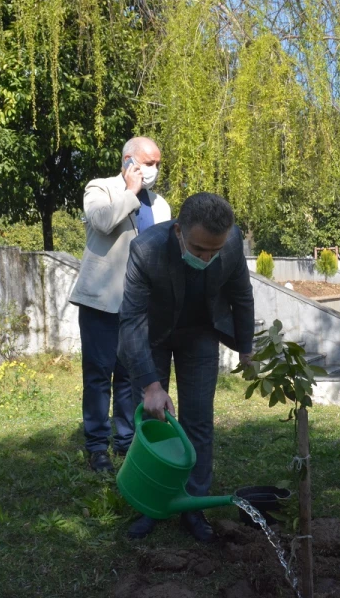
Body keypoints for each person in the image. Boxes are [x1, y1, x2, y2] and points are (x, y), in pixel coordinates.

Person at [118, 193, 254, 542]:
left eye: (215, 251)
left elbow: (242, 295)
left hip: (201, 336)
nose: (207, 258)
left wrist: (247, 349)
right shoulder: (145, 250)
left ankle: (192, 506)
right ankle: (150, 503)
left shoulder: (232, 242)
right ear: (178, 231)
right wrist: (150, 385)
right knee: (152, 419)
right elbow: (131, 321)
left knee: (198, 421)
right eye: (198, 250)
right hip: (154, 336)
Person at [68, 137, 172, 473]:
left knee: (131, 376)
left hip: (140, 307)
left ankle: (127, 442)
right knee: (98, 376)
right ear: (128, 160)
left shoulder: (161, 205)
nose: (153, 170)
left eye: (157, 164)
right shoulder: (100, 188)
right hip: (101, 302)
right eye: (147, 162)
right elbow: (102, 222)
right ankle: (97, 446)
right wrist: (130, 190)